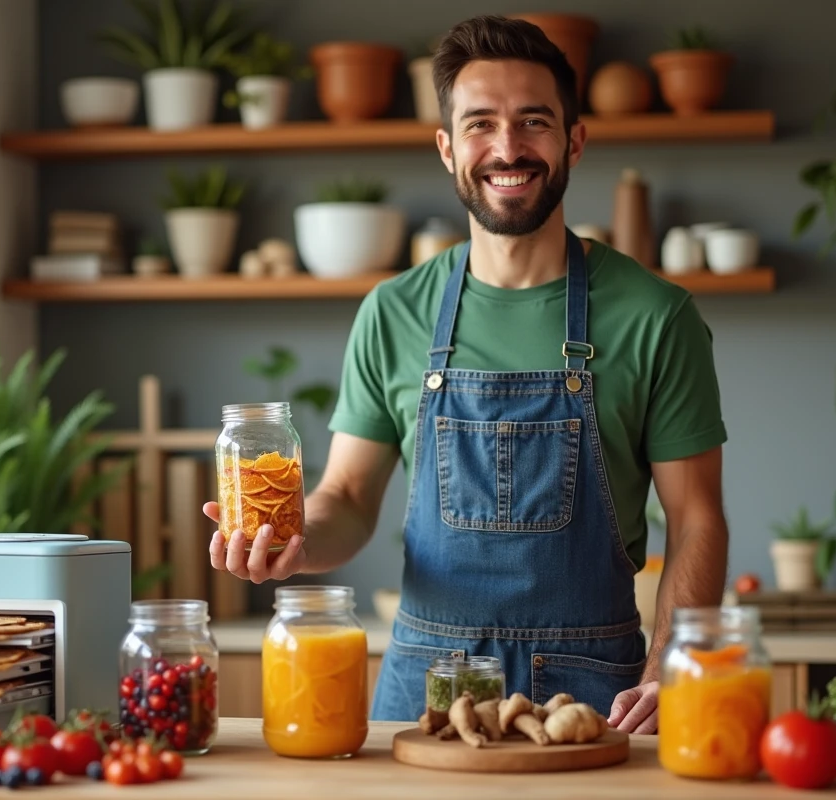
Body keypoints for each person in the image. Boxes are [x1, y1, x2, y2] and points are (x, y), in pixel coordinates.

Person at [202, 14, 728, 735]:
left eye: (533, 121)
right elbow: (349, 498)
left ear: (574, 140)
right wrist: (291, 544)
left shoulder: (656, 317)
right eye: (480, 124)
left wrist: (675, 657)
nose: (507, 148)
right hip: (426, 688)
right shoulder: (392, 312)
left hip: (596, 694)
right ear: (448, 150)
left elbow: (697, 519)